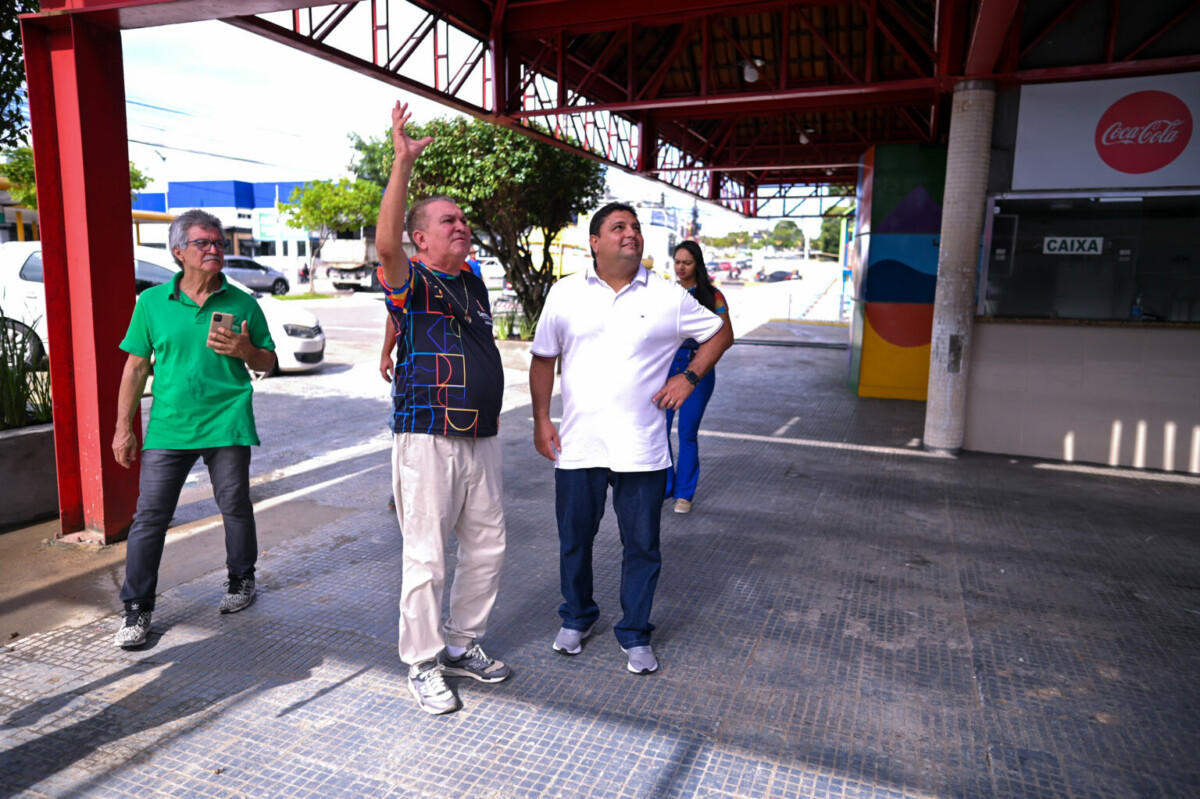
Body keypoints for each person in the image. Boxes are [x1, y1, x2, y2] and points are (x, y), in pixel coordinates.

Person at [529, 202, 733, 675]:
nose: (632, 234)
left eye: (636, 228)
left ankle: (636, 633)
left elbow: (720, 333)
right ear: (594, 242)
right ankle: (576, 617)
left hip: (642, 449)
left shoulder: (667, 295)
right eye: (619, 227)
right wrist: (542, 418)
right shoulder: (564, 293)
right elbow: (543, 358)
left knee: (642, 545)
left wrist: (690, 376)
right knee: (574, 540)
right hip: (578, 446)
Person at [376, 100, 511, 715]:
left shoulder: (472, 280)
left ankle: (461, 644)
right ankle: (423, 662)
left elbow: (402, 324)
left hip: (481, 436)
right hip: (427, 434)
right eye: (446, 221)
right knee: (426, 556)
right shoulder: (413, 279)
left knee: (487, 547)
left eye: (463, 220)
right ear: (421, 238)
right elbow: (385, 248)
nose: (461, 226)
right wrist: (402, 164)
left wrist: (388, 344)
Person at [111, 208, 278, 649]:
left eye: (219, 243)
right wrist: (122, 428)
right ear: (178, 251)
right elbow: (135, 367)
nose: (214, 249)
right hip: (169, 426)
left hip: (227, 420)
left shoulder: (242, 302)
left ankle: (242, 580)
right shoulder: (150, 304)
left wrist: (245, 349)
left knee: (235, 506)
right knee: (149, 518)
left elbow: (268, 361)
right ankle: (137, 608)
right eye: (203, 243)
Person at [665, 242, 731, 514]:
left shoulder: (713, 296)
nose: (681, 267)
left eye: (687, 263)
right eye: (677, 262)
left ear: (698, 265)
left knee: (687, 433)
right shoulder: (666, 293)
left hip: (698, 371)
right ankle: (664, 487)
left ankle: (684, 494)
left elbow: (725, 337)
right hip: (665, 369)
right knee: (659, 431)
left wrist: (697, 367)